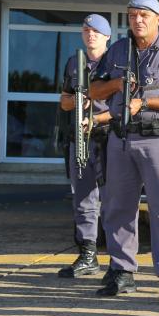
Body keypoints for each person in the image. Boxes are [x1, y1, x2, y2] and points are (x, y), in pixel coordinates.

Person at [90, 0, 159, 304]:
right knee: (118, 207)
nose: (137, 20)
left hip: (157, 137)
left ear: (158, 19)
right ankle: (122, 272)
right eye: (133, 15)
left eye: (144, 15)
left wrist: (145, 102)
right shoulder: (118, 50)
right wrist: (117, 85)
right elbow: (94, 89)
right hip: (120, 139)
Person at [57, 14, 112, 278]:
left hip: (110, 137)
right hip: (81, 139)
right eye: (87, 30)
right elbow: (64, 101)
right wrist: (78, 102)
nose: (91, 35)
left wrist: (94, 107)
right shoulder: (74, 63)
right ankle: (88, 254)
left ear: (107, 37)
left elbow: (125, 104)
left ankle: (120, 260)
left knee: (115, 200)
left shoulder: (116, 63)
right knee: (84, 199)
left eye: (96, 32)